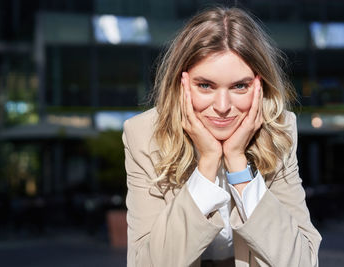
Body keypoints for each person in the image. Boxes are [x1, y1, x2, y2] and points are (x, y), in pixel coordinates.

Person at [122, 6, 321, 267]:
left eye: (240, 86)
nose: (223, 106)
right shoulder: (144, 136)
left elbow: (302, 262)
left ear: (260, 87)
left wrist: (238, 165)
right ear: (180, 86)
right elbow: (145, 263)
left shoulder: (279, 130)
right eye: (205, 85)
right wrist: (207, 164)